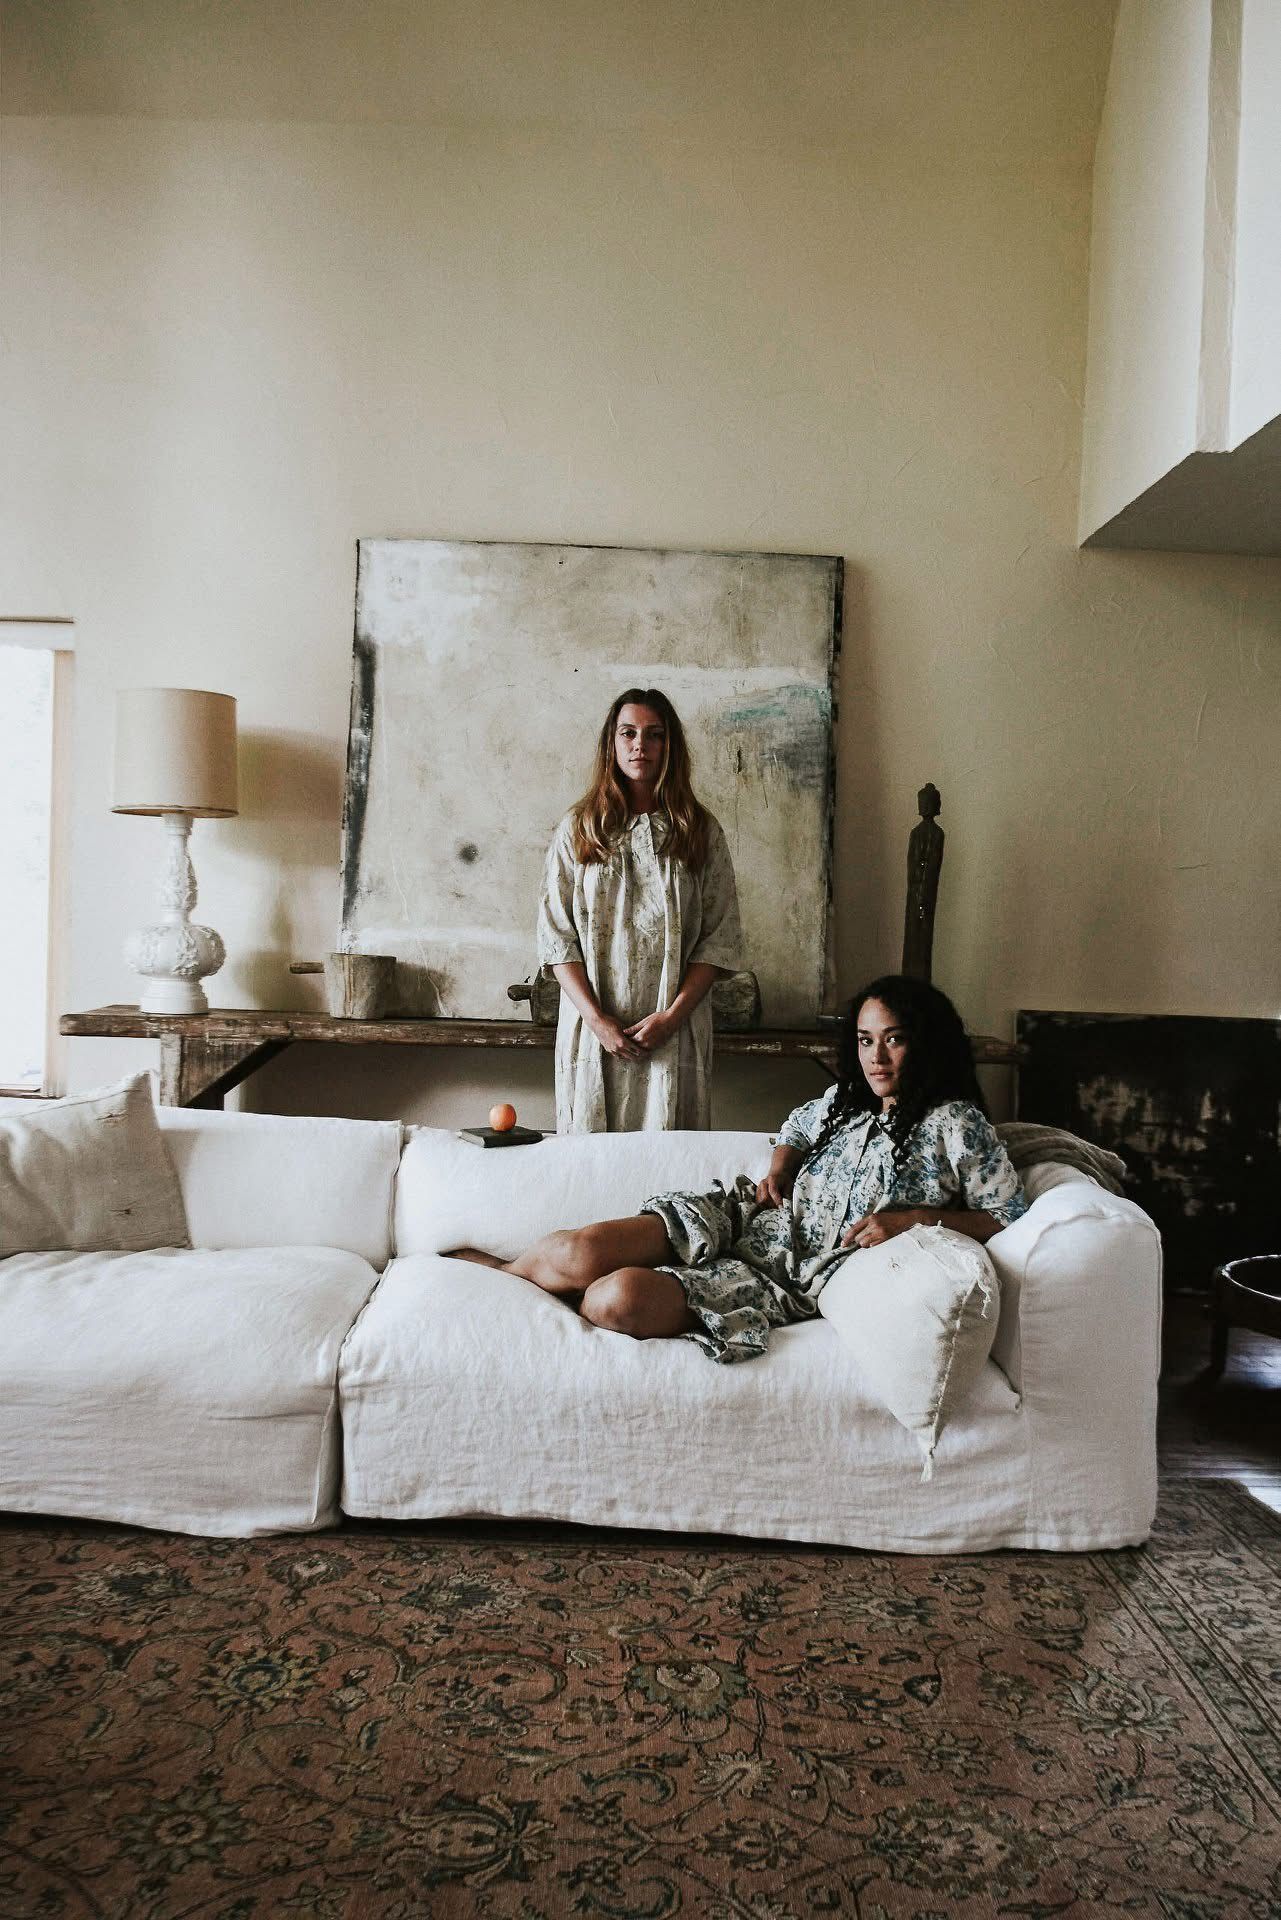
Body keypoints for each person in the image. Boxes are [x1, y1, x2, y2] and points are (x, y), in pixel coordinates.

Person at [453, 975, 1028, 1362]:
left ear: (926, 1044)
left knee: (614, 1300)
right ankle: (506, 1273)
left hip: (783, 1279)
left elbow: (1010, 1216)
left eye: (894, 1041)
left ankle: (549, 1291)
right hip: (742, 1218)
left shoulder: (958, 1124)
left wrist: (913, 1220)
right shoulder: (847, 1099)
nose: (875, 1057)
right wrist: (780, 1169)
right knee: (575, 1253)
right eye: (864, 1041)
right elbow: (795, 1128)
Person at [537, 687, 744, 1133]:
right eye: (628, 733)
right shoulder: (580, 828)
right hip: (593, 1033)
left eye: (654, 735)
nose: (640, 745)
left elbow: (719, 938)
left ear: (670, 745)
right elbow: (557, 938)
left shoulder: (699, 831)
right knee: (592, 1163)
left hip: (675, 1033)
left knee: (669, 1163)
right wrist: (598, 1022)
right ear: (611, 744)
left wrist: (671, 1018)